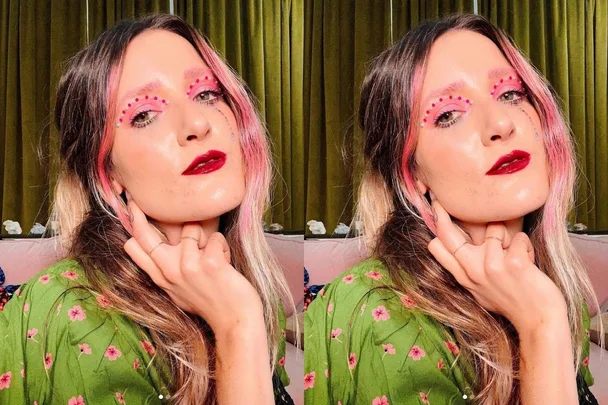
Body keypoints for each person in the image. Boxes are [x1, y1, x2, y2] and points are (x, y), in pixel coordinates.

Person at [304, 13, 600, 405]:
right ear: (411, 172)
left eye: (511, 94)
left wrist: (543, 318)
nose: (500, 122)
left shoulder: (550, 287)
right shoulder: (374, 313)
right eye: (448, 114)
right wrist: (541, 326)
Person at [0, 14, 295, 405]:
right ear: (107, 172)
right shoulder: (67, 313)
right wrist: (237, 327)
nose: (196, 123)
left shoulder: (244, 286)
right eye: (144, 115)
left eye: (207, 94)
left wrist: (238, 319)